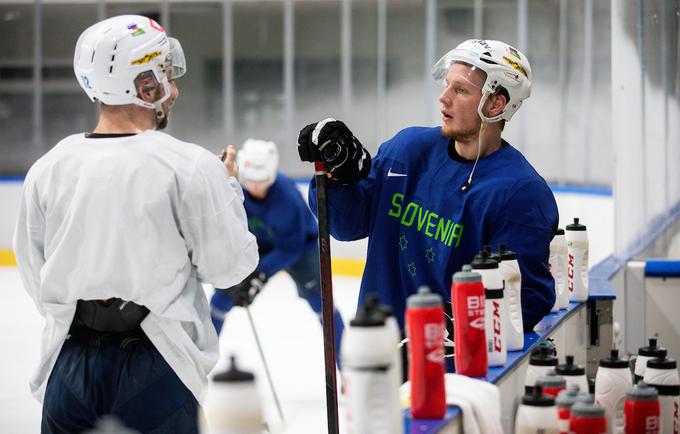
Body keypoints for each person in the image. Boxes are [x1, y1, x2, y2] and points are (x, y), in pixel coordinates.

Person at [13, 15, 258, 433]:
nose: (173, 89)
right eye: (165, 75)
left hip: (69, 366)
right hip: (157, 364)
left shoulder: (48, 168)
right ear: (144, 86)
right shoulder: (189, 166)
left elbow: (34, 273)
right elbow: (230, 266)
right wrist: (229, 187)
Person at [297, 39, 559, 336]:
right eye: (446, 86)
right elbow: (346, 225)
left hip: (455, 371)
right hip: (378, 352)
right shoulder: (407, 151)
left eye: (460, 90)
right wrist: (340, 179)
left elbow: (523, 301)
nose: (443, 98)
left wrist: (452, 329)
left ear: (496, 104)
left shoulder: (521, 193)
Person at [210, 139, 345, 366]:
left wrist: (260, 275)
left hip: (301, 247)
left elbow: (290, 247)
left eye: (261, 181)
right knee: (222, 296)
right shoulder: (233, 188)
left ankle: (345, 366)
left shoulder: (287, 198)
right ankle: (196, 368)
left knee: (321, 302)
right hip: (258, 244)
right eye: (249, 181)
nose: (254, 187)